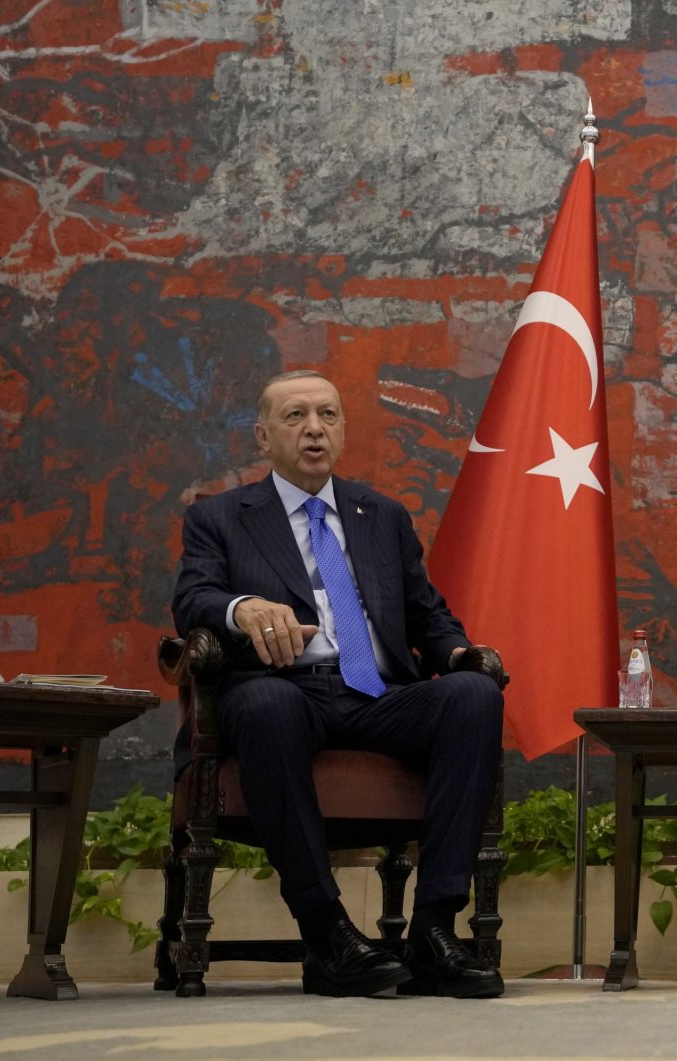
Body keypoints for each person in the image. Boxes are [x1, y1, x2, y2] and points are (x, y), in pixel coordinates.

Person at [173, 370, 506, 999]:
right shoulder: (221, 516)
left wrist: (457, 651)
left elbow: (426, 613)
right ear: (263, 436)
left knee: (472, 694)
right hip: (282, 689)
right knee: (267, 704)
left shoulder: (381, 514)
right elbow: (193, 597)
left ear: (343, 431)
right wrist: (241, 607)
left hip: (376, 695)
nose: (313, 429)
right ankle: (326, 930)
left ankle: (434, 929)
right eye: (295, 416)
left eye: (327, 415)